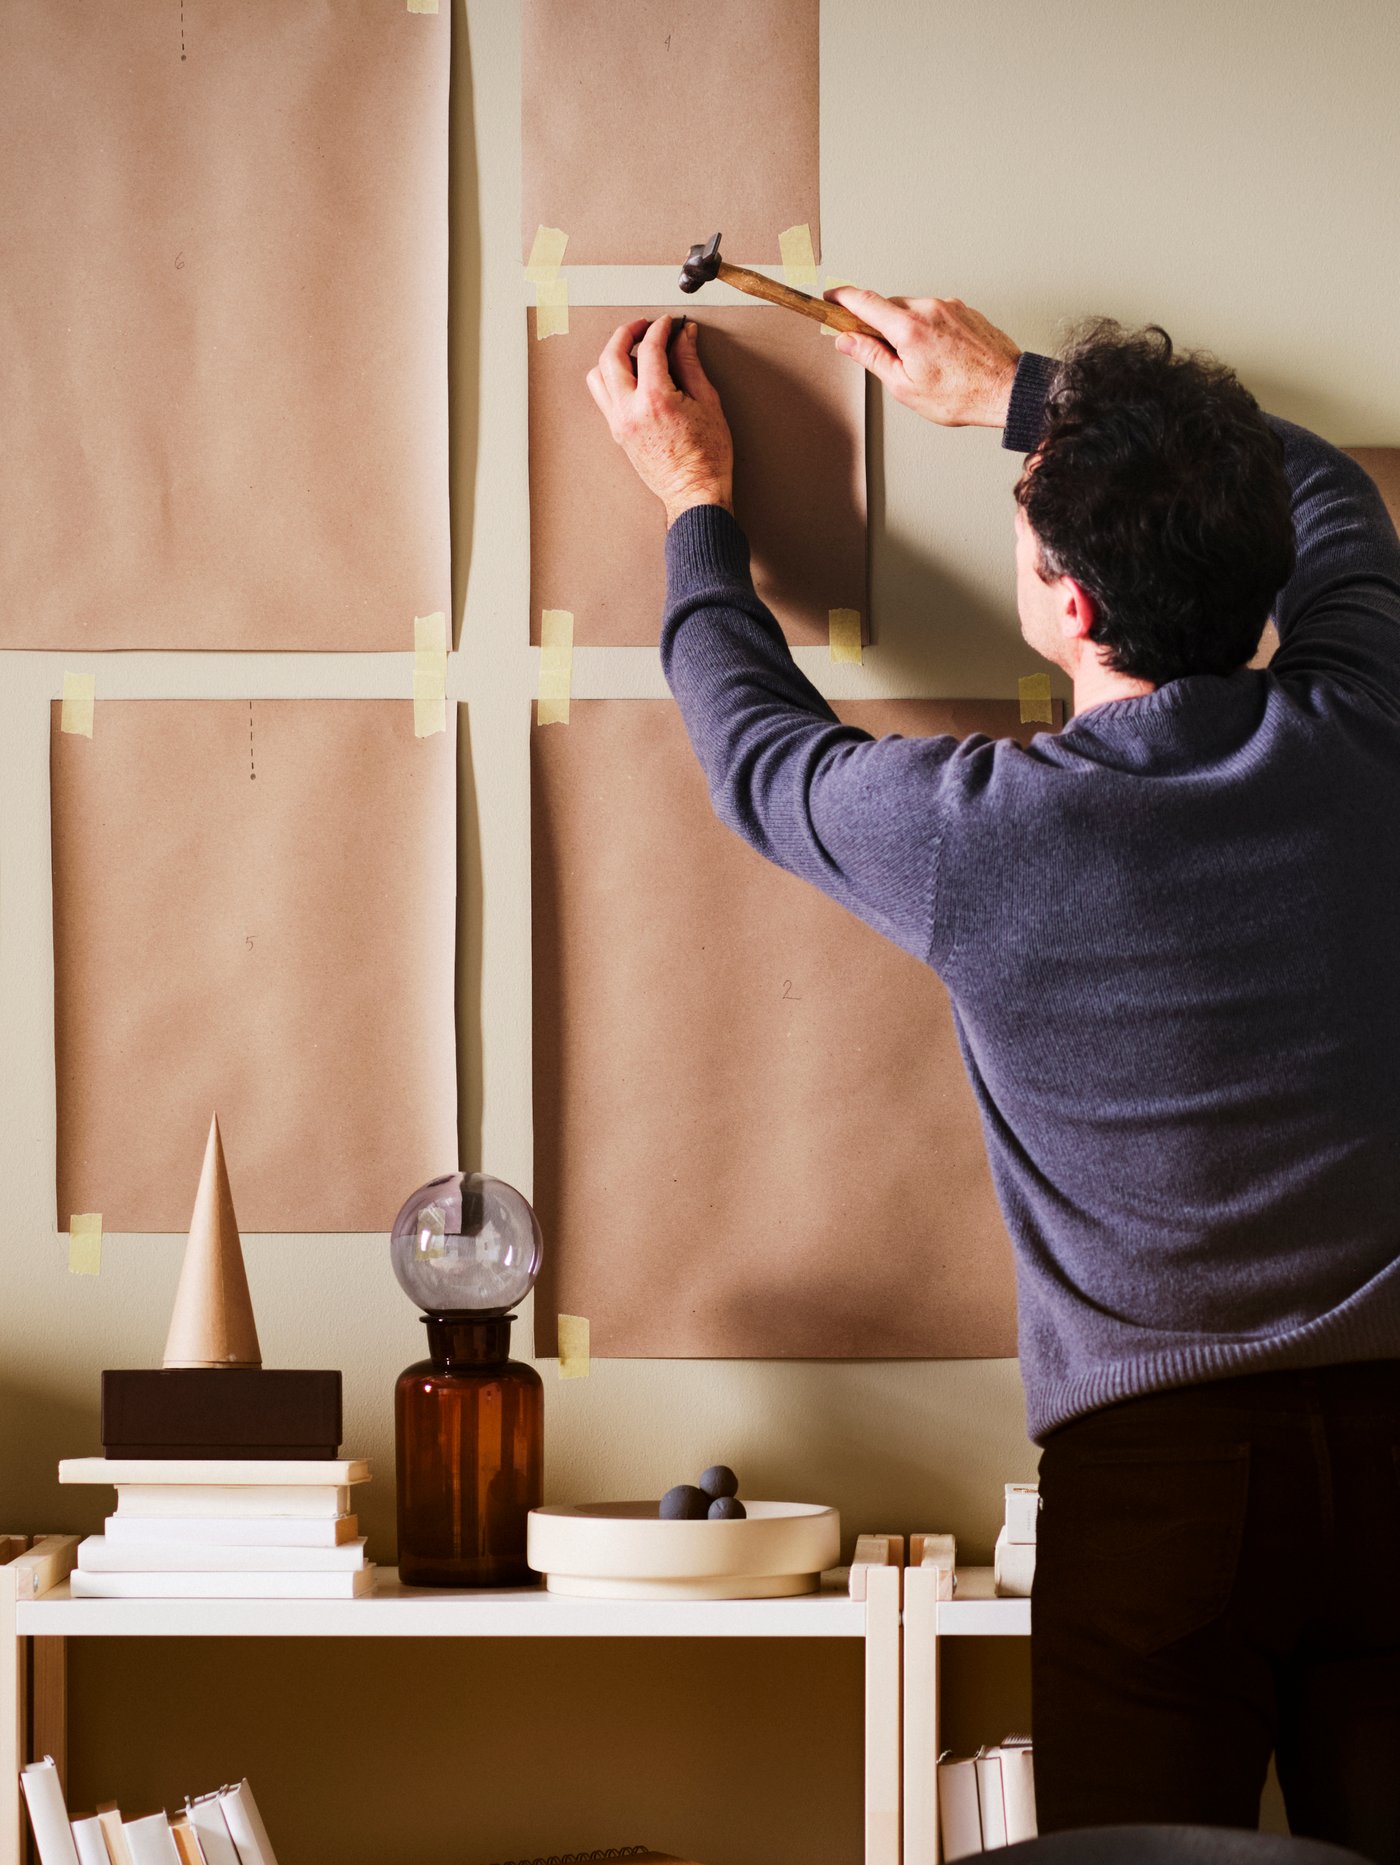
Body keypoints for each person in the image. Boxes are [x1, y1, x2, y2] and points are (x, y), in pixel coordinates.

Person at [585, 290, 1400, 1858]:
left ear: (1073, 613)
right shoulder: (1368, 729)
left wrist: (696, 500)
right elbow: (1332, 491)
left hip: (1154, 1490)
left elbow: (754, 748)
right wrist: (1024, 394)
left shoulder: (981, 840)